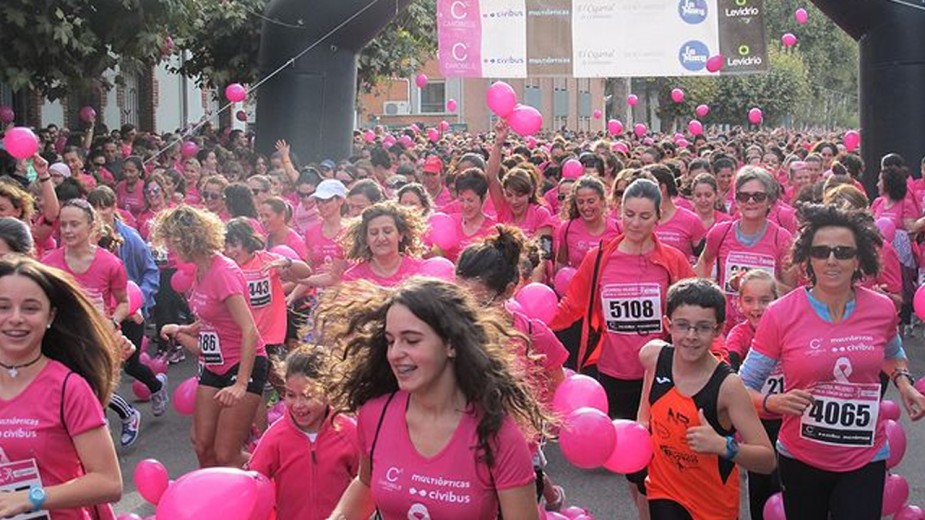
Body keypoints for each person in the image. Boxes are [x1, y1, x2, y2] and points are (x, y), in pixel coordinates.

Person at [738, 204, 925, 519]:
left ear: (859, 258)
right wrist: (774, 402)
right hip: (801, 456)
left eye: (843, 251)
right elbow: (743, 386)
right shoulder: (781, 313)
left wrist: (903, 383)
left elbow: (892, 353)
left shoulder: (880, 309)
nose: (832, 260)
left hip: (865, 455)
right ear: (808, 258)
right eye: (821, 251)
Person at [321, 278, 548, 520]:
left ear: (450, 344)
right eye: (390, 341)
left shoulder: (497, 433)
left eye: (412, 340)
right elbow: (365, 483)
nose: (395, 353)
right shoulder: (376, 414)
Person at [638, 278, 775, 520]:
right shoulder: (653, 357)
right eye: (682, 325)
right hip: (664, 491)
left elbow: (767, 459)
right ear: (667, 324)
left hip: (713, 506)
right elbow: (646, 414)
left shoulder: (728, 386)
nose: (691, 335)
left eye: (702, 327)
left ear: (719, 329)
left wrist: (724, 446)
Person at [456, 225, 569, 511]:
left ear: (508, 290)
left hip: (517, 454)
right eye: (459, 296)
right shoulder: (445, 331)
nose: (469, 307)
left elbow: (557, 377)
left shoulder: (531, 332)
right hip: (458, 453)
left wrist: (535, 418)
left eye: (479, 299)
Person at [0, 257, 123, 518]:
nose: (16, 318)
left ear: (50, 316)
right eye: (3, 307)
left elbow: (109, 482)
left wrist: (31, 498)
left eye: (31, 308)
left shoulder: (68, 387)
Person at [154, 205, 268, 468]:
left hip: (242, 364)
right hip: (214, 365)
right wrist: (189, 329)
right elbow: (212, 313)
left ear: (189, 239)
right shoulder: (201, 269)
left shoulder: (222, 271)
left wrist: (241, 384)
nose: (171, 250)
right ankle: (211, 500)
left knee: (227, 454)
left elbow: (249, 329)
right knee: (202, 444)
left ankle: (273, 472)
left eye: (172, 242)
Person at [41, 198, 145, 448]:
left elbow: (123, 301)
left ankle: (101, 454)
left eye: (74, 224)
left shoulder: (110, 263)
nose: (67, 230)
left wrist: (113, 322)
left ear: (91, 226)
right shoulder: (48, 265)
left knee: (93, 396)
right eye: (63, 225)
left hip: (97, 339)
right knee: (71, 396)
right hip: (62, 340)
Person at [248, 345, 359, 520]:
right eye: (291, 395)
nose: (298, 405)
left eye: (307, 396)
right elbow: (253, 484)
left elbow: (368, 483)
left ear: (328, 392)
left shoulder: (348, 432)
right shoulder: (276, 436)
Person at [87, 186, 169, 418]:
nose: (100, 212)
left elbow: (151, 271)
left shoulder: (130, 237)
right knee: (101, 369)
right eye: (95, 207)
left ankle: (156, 387)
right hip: (102, 314)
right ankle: (117, 418)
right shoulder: (88, 240)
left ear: (114, 207)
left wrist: (138, 302)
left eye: (105, 206)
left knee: (131, 365)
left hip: (130, 311)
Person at [694, 166, 795, 334]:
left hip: (768, 329)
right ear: (736, 200)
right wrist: (709, 296)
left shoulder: (782, 238)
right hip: (726, 329)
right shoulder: (720, 232)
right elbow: (703, 263)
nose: (750, 201)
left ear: (770, 201)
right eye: (743, 196)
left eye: (758, 196)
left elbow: (791, 293)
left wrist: (759, 281)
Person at [723, 270, 783, 520]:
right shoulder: (739, 334)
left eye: (765, 300)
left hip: (789, 421)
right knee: (760, 487)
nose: (756, 308)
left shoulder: (787, 329)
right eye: (749, 300)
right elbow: (731, 363)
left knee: (785, 484)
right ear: (739, 302)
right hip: (756, 425)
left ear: (777, 301)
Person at [341, 202, 426, 287]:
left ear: (400, 235)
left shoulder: (421, 271)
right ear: (366, 239)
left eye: (387, 231)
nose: (381, 238)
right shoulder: (353, 278)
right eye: (374, 233)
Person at [555, 176, 620, 271]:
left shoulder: (618, 228)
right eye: (581, 202)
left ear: (602, 201)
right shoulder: (567, 228)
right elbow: (561, 263)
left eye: (591, 201)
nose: (585, 207)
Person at [648, 165, 706, 264]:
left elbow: (704, 260)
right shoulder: (640, 221)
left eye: (646, 187)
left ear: (662, 188)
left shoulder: (690, 220)